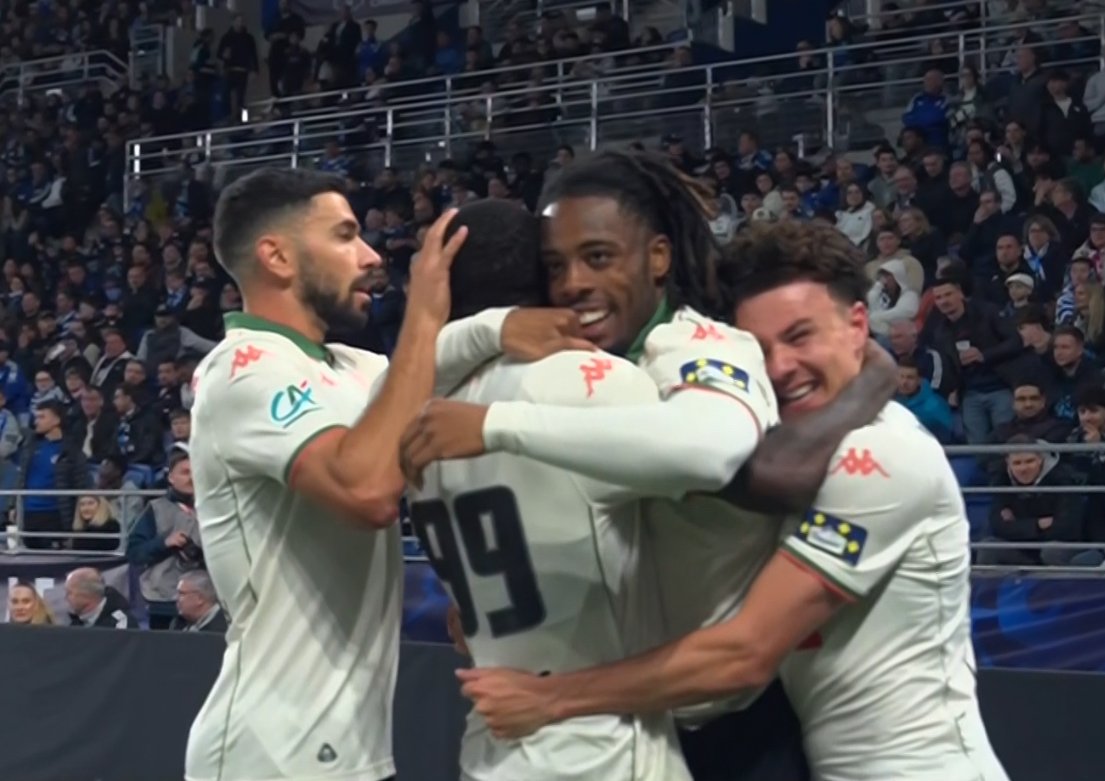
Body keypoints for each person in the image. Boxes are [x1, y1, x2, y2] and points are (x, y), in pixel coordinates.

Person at [449, 221, 1009, 781]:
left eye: (801, 336)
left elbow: (744, 654)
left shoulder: (882, 457)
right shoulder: (785, 445)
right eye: (759, 349)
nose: (780, 367)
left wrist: (549, 698)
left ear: (858, 325)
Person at [400, 151, 896, 781]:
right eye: (555, 266)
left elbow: (722, 452)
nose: (573, 283)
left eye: (598, 257)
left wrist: (495, 424)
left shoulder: (696, 344)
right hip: (623, 716)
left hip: (729, 721)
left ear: (658, 257)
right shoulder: (581, 367)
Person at [184, 168, 581, 781]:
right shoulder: (242, 370)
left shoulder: (354, 367)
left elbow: (421, 385)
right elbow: (367, 490)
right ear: (277, 257)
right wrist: (425, 314)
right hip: (271, 755)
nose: (372, 257)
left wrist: (495, 325)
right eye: (345, 236)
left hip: (350, 749)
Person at [408, 198, 691, 781]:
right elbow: (719, 465)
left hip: (492, 742)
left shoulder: (411, 412)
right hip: (600, 749)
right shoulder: (593, 379)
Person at [64, 567, 134, 629]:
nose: (66, 598)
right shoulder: (75, 623)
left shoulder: (120, 624)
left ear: (86, 595)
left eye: (69, 593)